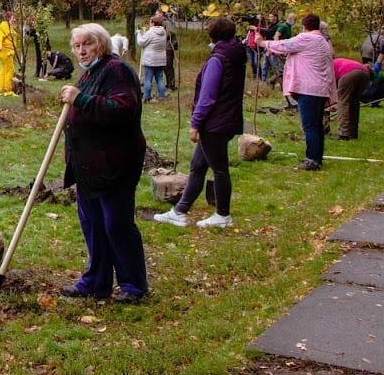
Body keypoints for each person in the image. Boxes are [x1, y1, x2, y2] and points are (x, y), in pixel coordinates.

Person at [58, 23, 149, 303]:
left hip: (114, 164)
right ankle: (96, 282)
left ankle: (134, 285)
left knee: (116, 224)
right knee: (94, 225)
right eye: (77, 46)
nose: (81, 51)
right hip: (88, 167)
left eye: (88, 44)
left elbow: (122, 109)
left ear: (102, 44)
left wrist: (80, 99)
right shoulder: (90, 74)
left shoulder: (117, 70)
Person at [154, 17, 245, 229]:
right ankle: (179, 211)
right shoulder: (236, 54)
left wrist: (195, 123)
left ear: (211, 36)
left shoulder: (218, 60)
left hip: (214, 124)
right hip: (226, 119)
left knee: (219, 169)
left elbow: (208, 96)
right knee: (197, 166)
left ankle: (223, 215)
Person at [259, 13, 335, 170]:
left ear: (304, 26)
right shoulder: (323, 42)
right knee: (317, 125)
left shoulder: (306, 39)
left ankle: (312, 160)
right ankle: (317, 156)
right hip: (321, 89)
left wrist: (262, 43)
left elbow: (284, 45)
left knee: (310, 126)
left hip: (309, 89)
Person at [332, 57, 371, 140]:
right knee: (354, 103)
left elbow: (330, 87)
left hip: (348, 73)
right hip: (364, 72)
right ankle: (353, 132)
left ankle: (343, 133)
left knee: (343, 102)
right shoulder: (337, 62)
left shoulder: (328, 66)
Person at [136, 13, 169, 103]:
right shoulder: (164, 32)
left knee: (148, 79)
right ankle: (162, 97)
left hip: (150, 60)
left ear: (153, 23)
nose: (150, 23)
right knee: (159, 79)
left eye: (150, 22)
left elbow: (141, 42)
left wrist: (139, 34)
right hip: (161, 60)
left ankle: (147, 97)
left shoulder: (151, 33)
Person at [0, 10, 17, 94]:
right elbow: (0, 36)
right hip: (5, 52)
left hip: (7, 51)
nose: (14, 19)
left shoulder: (10, 27)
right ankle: (7, 89)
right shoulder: (4, 26)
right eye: (13, 18)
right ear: (9, 18)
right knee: (10, 70)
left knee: (3, 69)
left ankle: (1, 88)